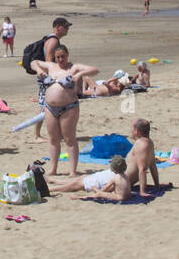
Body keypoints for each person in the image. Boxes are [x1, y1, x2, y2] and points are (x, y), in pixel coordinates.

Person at [30, 45, 97, 177]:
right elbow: (33, 62)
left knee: (69, 139)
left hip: (69, 107)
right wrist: (38, 70)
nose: (60, 59)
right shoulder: (50, 66)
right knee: (53, 140)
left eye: (63, 56)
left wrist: (80, 74)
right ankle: (53, 169)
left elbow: (95, 70)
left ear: (67, 55)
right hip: (50, 107)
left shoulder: (74, 68)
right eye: (58, 57)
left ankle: (72, 171)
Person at [32, 18, 71, 142]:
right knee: (45, 106)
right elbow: (48, 61)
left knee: (51, 105)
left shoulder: (52, 39)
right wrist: (52, 79)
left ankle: (54, 133)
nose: (68, 29)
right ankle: (37, 135)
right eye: (66, 27)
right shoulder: (53, 41)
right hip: (47, 78)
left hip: (46, 77)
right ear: (58, 27)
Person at [47, 154, 132, 200]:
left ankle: (50, 189)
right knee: (80, 179)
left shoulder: (115, 178)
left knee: (75, 184)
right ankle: (55, 181)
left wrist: (95, 189)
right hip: (123, 195)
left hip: (119, 197)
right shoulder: (125, 176)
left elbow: (102, 191)